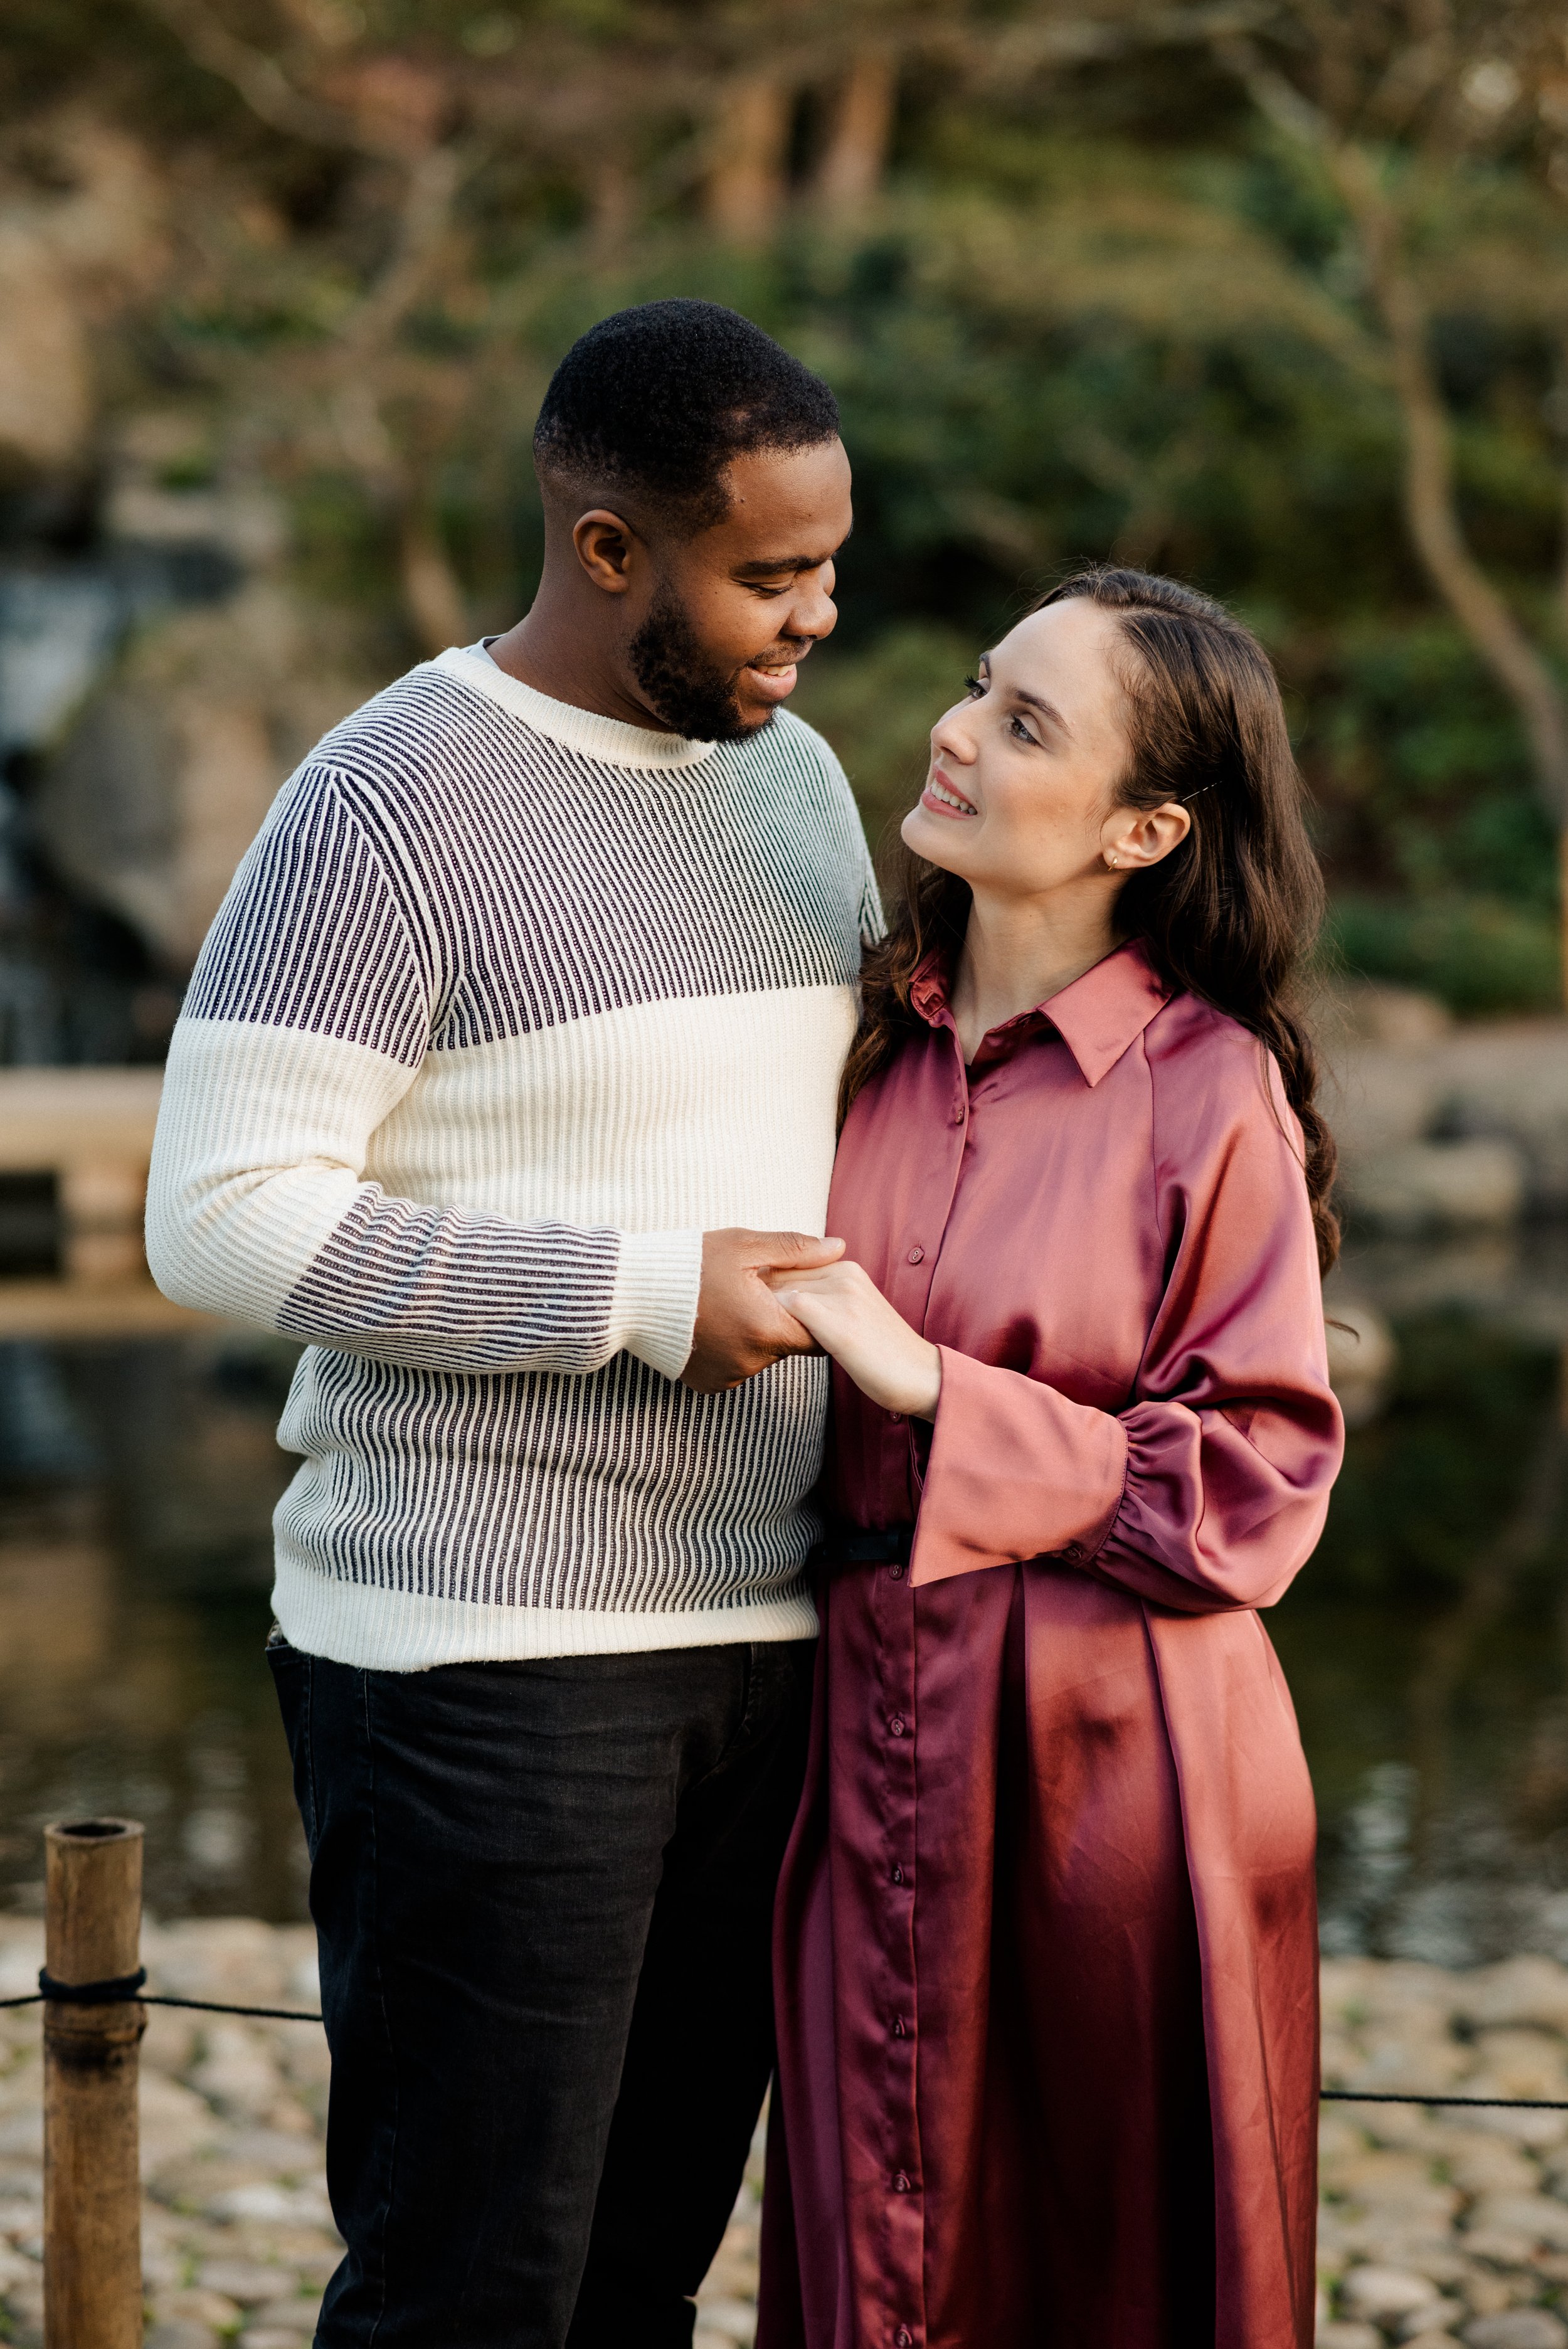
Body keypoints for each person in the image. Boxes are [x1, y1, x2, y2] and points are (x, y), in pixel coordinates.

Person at [145, 299, 880, 2349]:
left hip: (769, 1636)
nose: (818, 614)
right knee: (473, 2291)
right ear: (609, 547)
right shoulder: (391, 802)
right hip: (486, 1657)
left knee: (640, 2279)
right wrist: (638, 1299)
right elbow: (216, 1218)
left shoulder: (798, 781)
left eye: (830, 563)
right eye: (770, 572)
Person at [758, 568, 1347, 2349]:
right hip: (860, 1710)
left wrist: (936, 1390)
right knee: (874, 2239)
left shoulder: (1205, 1085)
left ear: (1145, 824)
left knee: (1114, 2259)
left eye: (1026, 721)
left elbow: (1256, 1483)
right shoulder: (846, 1046)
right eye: (972, 685)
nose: (953, 729)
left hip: (1127, 1751)